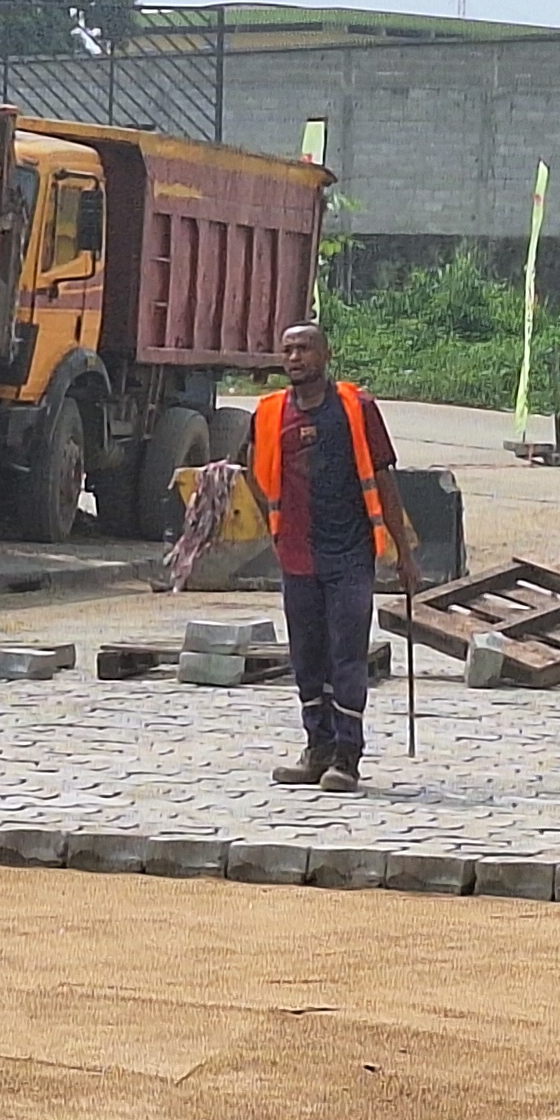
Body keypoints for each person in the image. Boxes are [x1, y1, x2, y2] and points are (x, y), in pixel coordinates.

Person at [249, 320, 419, 793]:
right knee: (307, 657)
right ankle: (316, 748)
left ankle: (347, 756)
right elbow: (253, 472)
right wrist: (276, 531)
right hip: (298, 556)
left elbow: (385, 481)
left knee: (347, 657)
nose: (295, 357)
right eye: (288, 350)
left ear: (325, 355)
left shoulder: (355, 409)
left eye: (305, 348)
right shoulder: (268, 415)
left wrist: (404, 553)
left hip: (349, 554)